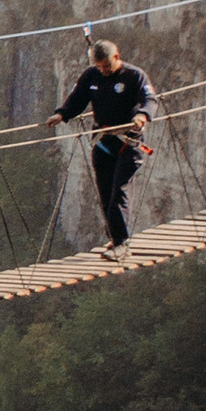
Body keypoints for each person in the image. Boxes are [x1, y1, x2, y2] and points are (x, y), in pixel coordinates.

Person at [47, 38, 155, 254]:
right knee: (105, 193)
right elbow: (78, 98)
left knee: (119, 192)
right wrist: (62, 114)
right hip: (105, 142)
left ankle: (122, 243)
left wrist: (143, 116)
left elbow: (150, 99)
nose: (103, 70)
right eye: (99, 66)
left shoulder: (134, 75)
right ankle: (115, 239)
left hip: (129, 143)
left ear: (116, 56)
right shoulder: (91, 75)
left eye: (106, 66)